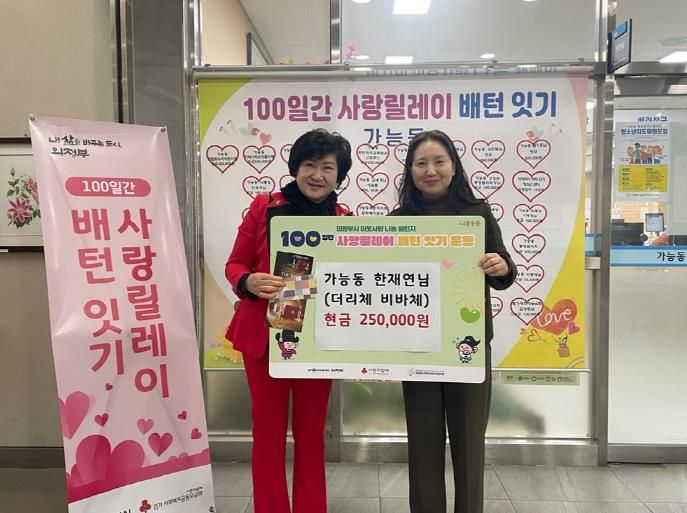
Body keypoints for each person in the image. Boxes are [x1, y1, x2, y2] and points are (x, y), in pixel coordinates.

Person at [224, 128, 352, 513]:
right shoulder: (264, 206)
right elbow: (235, 263)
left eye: (327, 167)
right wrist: (248, 281)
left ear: (339, 175)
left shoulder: (345, 219)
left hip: (318, 340)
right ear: (296, 168)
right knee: (268, 435)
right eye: (310, 165)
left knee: (312, 436)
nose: (317, 175)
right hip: (265, 337)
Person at [392, 130, 517, 513]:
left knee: (469, 445)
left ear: (454, 167)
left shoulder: (477, 213)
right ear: (410, 171)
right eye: (421, 163)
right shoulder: (398, 220)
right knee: (423, 444)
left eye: (439, 161)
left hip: (468, 346)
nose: (430, 170)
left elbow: (503, 272)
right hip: (418, 347)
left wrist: (501, 265)